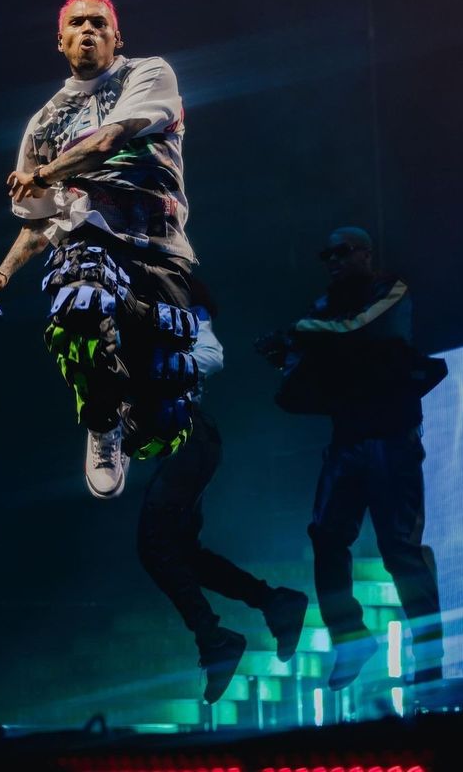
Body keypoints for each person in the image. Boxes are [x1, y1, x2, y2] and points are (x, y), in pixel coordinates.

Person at [0, 0, 198, 499]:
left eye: (99, 23)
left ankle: (136, 419)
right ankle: (102, 422)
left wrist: (46, 172)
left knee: (165, 424)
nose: (88, 31)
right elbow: (41, 221)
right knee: (81, 296)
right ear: (60, 40)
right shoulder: (44, 123)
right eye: (77, 24)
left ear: (118, 36)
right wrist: (4, 271)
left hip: (156, 245)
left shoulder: (148, 74)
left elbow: (113, 138)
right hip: (89, 240)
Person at [255, 226, 447, 691]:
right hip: (349, 438)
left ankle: (430, 662)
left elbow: (361, 329)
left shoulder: (390, 288)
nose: (333, 260)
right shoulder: (324, 306)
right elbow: (304, 359)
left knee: (399, 550)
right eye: (327, 255)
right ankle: (351, 637)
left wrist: (304, 337)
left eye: (341, 252)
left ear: (365, 253)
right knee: (326, 538)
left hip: (391, 437)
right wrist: (291, 351)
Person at [137, 280, 309, 704]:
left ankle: (215, 638)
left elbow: (211, 355)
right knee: (183, 554)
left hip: (189, 436)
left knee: (156, 545)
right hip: (181, 441)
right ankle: (274, 602)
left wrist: (158, 369)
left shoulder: (179, 306)